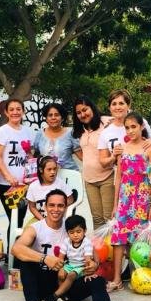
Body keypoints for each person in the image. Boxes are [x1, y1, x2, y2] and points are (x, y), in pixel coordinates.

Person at [10, 189, 131, 301]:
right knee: (26, 262)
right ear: (45, 207)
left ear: (65, 207)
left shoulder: (72, 229)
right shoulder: (35, 228)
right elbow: (16, 249)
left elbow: (90, 249)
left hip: (67, 283)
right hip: (42, 283)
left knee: (97, 280)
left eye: (60, 205)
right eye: (52, 205)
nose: (56, 209)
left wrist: (94, 264)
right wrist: (45, 259)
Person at [109, 112, 151, 292]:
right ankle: (116, 279)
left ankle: (143, 276)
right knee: (119, 237)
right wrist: (115, 205)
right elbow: (118, 177)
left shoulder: (149, 149)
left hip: (143, 199)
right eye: (127, 127)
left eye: (133, 127)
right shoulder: (122, 148)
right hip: (125, 198)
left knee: (142, 239)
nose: (130, 131)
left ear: (141, 127)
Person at [0, 98, 35, 233]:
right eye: (11, 109)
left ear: (23, 111)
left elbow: (29, 156)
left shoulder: (28, 131)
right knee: (14, 219)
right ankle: (13, 251)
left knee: (20, 220)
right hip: (8, 185)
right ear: (6, 112)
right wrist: (8, 176)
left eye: (18, 109)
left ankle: (17, 250)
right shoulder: (1, 131)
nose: (15, 112)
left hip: (25, 185)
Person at [72, 96, 113, 229]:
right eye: (78, 113)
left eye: (85, 110)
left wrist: (147, 140)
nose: (83, 114)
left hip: (108, 177)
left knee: (109, 219)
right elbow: (81, 152)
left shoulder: (106, 122)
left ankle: (114, 249)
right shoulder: (79, 131)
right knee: (97, 219)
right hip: (89, 180)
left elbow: (130, 121)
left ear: (92, 108)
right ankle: (99, 249)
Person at [48, 215, 94, 301]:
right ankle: (64, 296)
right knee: (61, 275)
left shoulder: (87, 242)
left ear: (84, 231)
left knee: (71, 275)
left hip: (81, 266)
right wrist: (61, 268)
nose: (75, 235)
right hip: (69, 265)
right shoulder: (66, 241)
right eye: (71, 232)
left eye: (78, 231)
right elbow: (61, 258)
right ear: (67, 233)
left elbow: (88, 260)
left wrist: (89, 272)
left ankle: (55, 296)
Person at [32, 102, 81, 170]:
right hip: (47, 178)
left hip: (68, 176)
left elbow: (82, 157)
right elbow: (36, 156)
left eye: (57, 115)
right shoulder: (40, 134)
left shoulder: (71, 133)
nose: (53, 118)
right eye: (50, 115)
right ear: (46, 118)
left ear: (62, 118)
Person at [26, 156, 74, 222]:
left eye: (55, 169)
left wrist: (59, 207)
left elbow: (70, 199)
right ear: (41, 170)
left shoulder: (60, 183)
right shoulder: (33, 186)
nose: (53, 172)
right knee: (28, 231)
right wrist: (42, 220)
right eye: (49, 169)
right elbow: (32, 207)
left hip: (58, 219)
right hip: (40, 219)